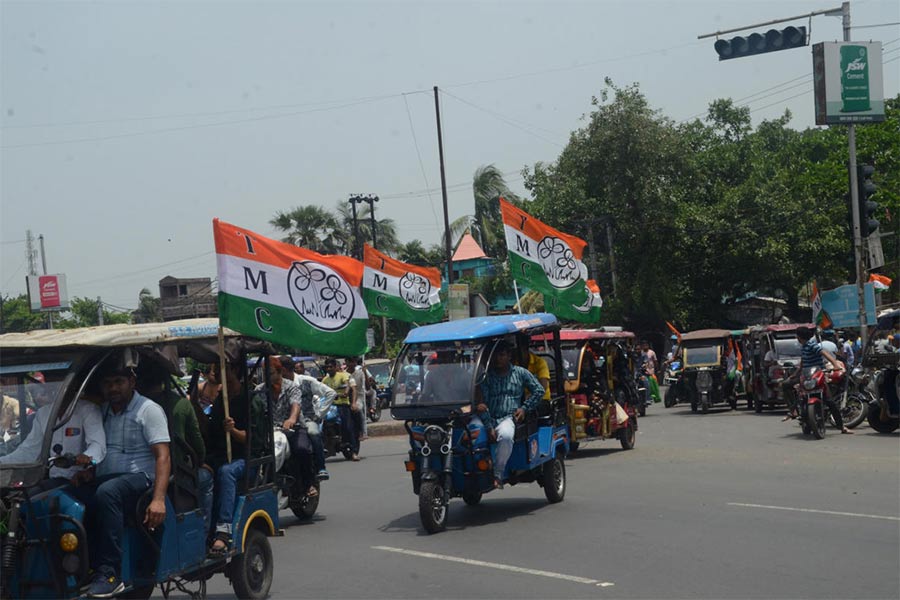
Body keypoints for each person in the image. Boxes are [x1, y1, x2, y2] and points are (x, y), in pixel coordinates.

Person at [73, 354, 171, 598]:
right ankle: (81, 566)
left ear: (132, 381)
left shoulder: (148, 410)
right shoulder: (103, 412)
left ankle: (110, 573)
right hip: (110, 480)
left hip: (141, 480)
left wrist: (158, 499)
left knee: (108, 492)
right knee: (66, 494)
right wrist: (87, 473)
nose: (113, 388)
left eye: (118, 381)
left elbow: (163, 456)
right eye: (108, 383)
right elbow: (101, 450)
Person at [136, 359, 212, 531]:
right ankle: (205, 533)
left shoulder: (132, 405)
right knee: (206, 479)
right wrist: (201, 462)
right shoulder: (181, 404)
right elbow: (197, 444)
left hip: (141, 472)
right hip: (176, 473)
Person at [207, 361, 268, 556]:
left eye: (219, 369)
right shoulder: (220, 400)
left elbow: (254, 440)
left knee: (227, 472)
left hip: (246, 460)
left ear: (233, 370)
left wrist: (232, 430)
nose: (215, 373)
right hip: (221, 456)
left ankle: (223, 530)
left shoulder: (252, 401)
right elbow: (213, 434)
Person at [473, 341, 543, 488]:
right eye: (495, 356)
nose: (498, 359)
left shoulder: (520, 373)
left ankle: (498, 473)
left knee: (505, 436)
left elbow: (539, 390)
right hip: (488, 417)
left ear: (509, 356)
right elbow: (482, 404)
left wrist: (524, 408)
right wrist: (489, 426)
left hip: (508, 418)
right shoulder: (486, 377)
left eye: (502, 355)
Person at [0, 390, 106, 484]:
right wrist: (3, 462)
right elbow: (29, 450)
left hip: (80, 480)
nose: (56, 390)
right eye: (53, 385)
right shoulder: (43, 413)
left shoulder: (88, 410)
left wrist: (85, 457)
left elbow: (97, 445)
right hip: (54, 479)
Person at [785, 327, 852, 434]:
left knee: (831, 403)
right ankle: (794, 410)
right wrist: (795, 374)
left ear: (800, 337)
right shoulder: (804, 347)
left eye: (797, 335)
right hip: (807, 377)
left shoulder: (812, 345)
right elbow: (803, 362)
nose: (796, 338)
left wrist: (835, 365)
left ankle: (842, 427)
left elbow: (825, 353)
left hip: (818, 376)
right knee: (787, 386)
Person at [271, 356, 317, 498]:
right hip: (271, 431)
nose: (267, 376)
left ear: (280, 372)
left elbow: (295, 405)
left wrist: (291, 419)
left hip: (293, 428)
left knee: (301, 449)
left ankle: (309, 484)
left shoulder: (291, 386)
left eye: (271, 373)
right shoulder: (261, 389)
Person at [290, 358, 336, 481]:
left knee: (313, 432)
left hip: (307, 418)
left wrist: (320, 414)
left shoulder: (307, 381)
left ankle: (321, 467)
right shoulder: (276, 384)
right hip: (284, 422)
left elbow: (331, 393)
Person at [322, 358, 358, 461]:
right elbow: (320, 391)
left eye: (331, 367)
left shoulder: (342, 376)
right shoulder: (325, 380)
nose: (329, 369)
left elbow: (348, 386)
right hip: (329, 407)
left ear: (335, 367)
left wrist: (345, 392)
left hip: (342, 405)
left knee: (347, 427)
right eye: (327, 367)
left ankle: (354, 451)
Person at [514, 334, 551, 401]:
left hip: (541, 400)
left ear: (525, 349)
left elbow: (543, 386)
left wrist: (528, 397)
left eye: (518, 351)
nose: (515, 354)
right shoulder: (513, 364)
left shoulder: (540, 362)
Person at [344, 356, 367, 441]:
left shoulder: (360, 373)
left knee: (359, 409)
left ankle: (362, 431)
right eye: (349, 361)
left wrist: (365, 373)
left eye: (353, 361)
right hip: (346, 398)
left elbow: (367, 387)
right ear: (346, 362)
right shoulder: (344, 374)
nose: (351, 364)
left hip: (359, 397)